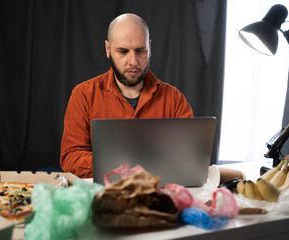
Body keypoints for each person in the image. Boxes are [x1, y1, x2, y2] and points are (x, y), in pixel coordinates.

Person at [60, 13, 193, 178]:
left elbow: (188, 159)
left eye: (140, 51)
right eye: (123, 51)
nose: (133, 62)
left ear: (149, 48)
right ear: (108, 49)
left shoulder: (174, 100)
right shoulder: (83, 95)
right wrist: (126, 168)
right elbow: (71, 158)